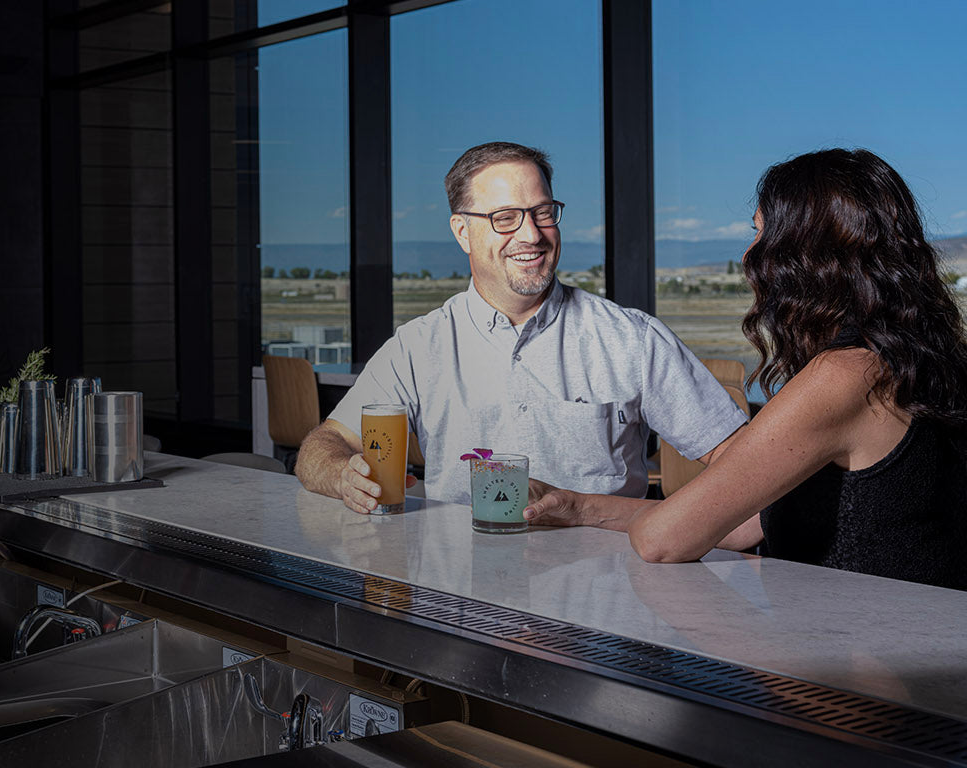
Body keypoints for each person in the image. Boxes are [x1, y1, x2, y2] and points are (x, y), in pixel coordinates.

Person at [523, 149, 967, 590]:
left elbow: (662, 540)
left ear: (805, 250)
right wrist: (579, 508)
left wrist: (665, 521)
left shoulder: (845, 375)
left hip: (854, 631)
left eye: (760, 233)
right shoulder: (919, 359)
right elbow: (743, 523)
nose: (749, 255)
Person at [296, 141, 747, 514]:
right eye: (505, 218)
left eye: (543, 212)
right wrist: (342, 476)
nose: (531, 234)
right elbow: (323, 445)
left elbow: (744, 462)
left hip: (605, 583)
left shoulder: (632, 339)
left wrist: (677, 526)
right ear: (462, 232)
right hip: (458, 583)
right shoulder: (418, 346)